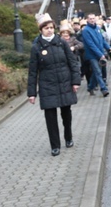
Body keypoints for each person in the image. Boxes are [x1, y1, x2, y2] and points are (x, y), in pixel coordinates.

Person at [27, 14, 81, 156]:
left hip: (64, 83)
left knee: (66, 114)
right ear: (41, 30)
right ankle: (55, 145)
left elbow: (72, 63)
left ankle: (68, 137)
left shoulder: (61, 43)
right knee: (50, 117)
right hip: (47, 85)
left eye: (51, 28)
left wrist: (75, 82)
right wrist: (31, 92)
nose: (49, 30)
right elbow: (33, 71)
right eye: (46, 28)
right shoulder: (36, 47)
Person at [81, 13, 110, 97]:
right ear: (87, 19)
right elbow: (90, 44)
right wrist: (100, 54)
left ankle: (90, 87)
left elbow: (102, 40)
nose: (92, 20)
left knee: (96, 72)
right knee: (98, 71)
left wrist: (108, 47)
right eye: (90, 18)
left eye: (93, 18)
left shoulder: (98, 28)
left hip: (100, 53)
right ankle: (104, 89)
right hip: (92, 55)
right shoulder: (86, 30)